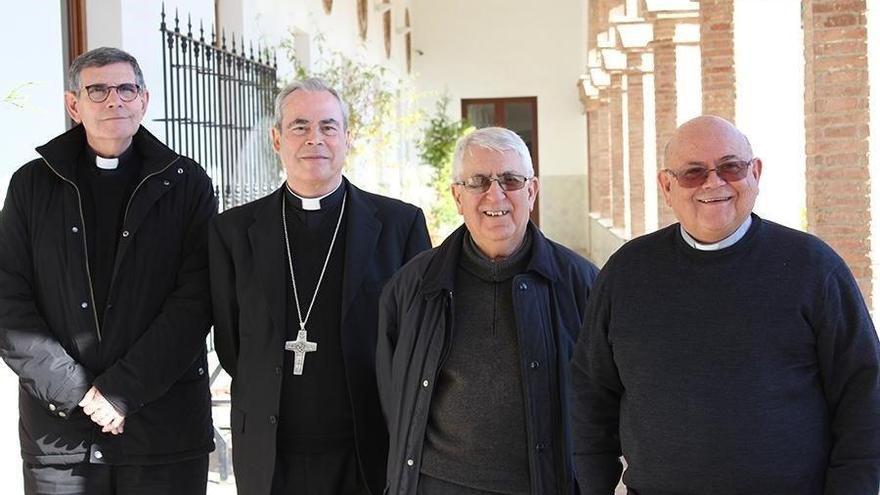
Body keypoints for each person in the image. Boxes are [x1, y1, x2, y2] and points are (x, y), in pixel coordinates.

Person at [571, 115, 880, 494]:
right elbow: (590, 395)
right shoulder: (626, 272)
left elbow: (864, 395)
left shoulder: (814, 268)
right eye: (693, 173)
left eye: (731, 167)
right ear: (667, 186)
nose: (714, 182)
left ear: (756, 173)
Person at [0, 47, 216, 494]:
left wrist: (122, 390)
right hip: (60, 436)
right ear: (73, 105)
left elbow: (197, 299)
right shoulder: (31, 186)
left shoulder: (188, 183)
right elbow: (7, 298)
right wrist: (74, 390)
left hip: (163, 428)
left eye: (125, 88)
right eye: (97, 90)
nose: (113, 100)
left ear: (144, 100)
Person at [209, 77, 431, 495]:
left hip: (367, 449)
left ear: (347, 138)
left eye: (329, 127)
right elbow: (233, 344)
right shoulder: (233, 232)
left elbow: (417, 341)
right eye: (299, 127)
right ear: (277, 139)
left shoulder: (400, 226)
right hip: (271, 456)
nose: (316, 139)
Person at [377, 126, 599, 495]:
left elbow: (603, 402)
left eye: (510, 180)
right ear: (457, 196)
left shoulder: (580, 283)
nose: (495, 194)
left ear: (532, 191)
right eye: (478, 181)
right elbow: (391, 396)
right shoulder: (413, 286)